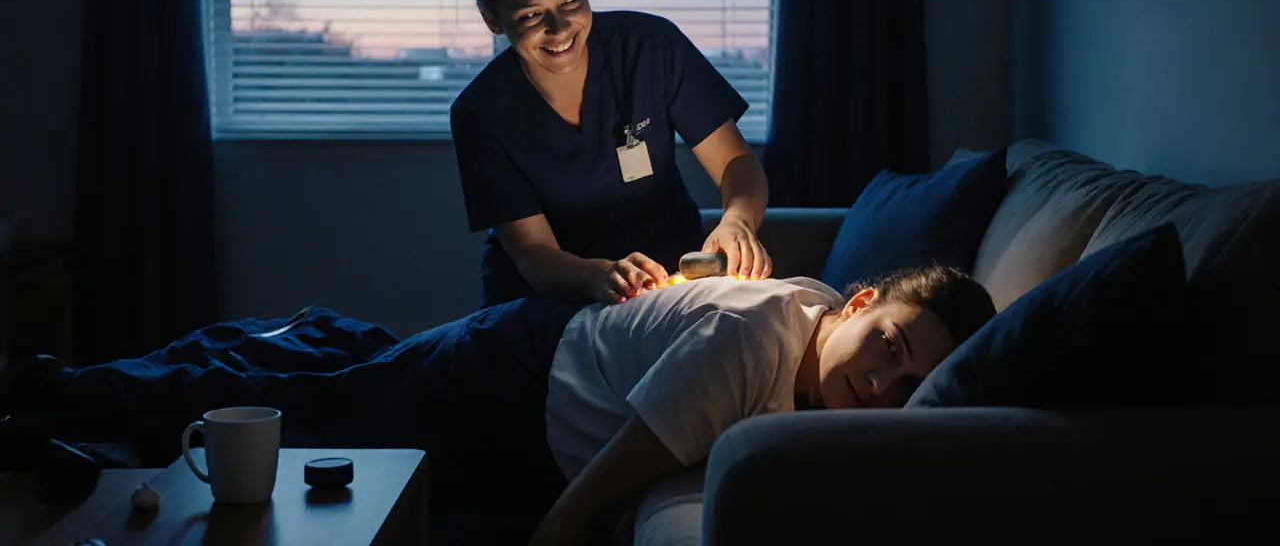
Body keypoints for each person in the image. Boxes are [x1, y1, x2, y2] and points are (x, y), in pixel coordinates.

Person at [0, 265, 996, 545]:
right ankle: (57, 395)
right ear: (859, 304)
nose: (881, 385)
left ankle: (311, 328)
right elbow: (578, 513)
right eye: (888, 348)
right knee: (300, 418)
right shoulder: (755, 343)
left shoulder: (819, 322)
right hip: (507, 381)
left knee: (335, 380)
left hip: (531, 392)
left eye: (908, 388)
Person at [451, 0, 773, 308]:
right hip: (546, 298)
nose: (561, 26)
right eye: (531, 15)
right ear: (491, 19)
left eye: (572, 0)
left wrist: (738, 218)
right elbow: (533, 254)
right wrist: (599, 275)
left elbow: (734, 162)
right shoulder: (480, 112)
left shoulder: (650, 48)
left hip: (669, 275)